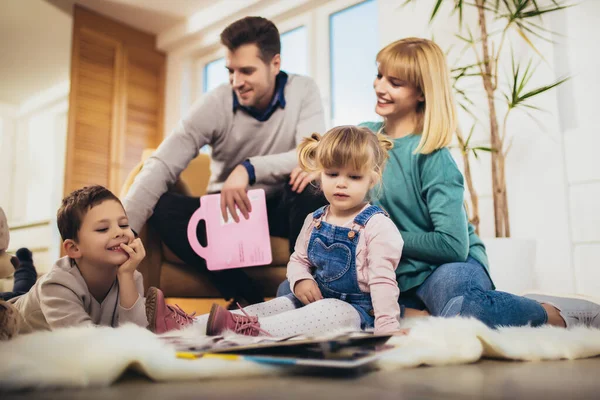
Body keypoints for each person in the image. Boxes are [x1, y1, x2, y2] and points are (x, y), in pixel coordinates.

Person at [279, 37, 600, 329]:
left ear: (421, 92)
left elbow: (452, 244)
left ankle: (556, 313)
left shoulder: (433, 157)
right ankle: (417, 314)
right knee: (290, 290)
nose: (380, 87)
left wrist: (375, 234)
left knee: (468, 310)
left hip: (442, 267)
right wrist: (319, 169)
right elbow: (332, 163)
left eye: (395, 82)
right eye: (380, 76)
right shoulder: (365, 136)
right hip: (388, 268)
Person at [123, 16, 327, 307]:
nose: (236, 82)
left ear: (275, 64)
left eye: (246, 71)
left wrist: (249, 168)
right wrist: (124, 230)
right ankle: (246, 295)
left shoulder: (303, 90)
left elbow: (311, 152)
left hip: (281, 206)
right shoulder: (215, 103)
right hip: (227, 210)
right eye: (230, 71)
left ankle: (300, 289)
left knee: (311, 184)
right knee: (163, 206)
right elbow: (163, 163)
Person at [145, 126, 404, 336]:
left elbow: (383, 282)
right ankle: (187, 325)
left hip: (356, 312)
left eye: (354, 177)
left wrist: (387, 329)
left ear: (372, 178)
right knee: (277, 305)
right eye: (332, 174)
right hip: (312, 301)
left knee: (331, 311)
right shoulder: (315, 220)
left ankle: (245, 331)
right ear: (319, 174)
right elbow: (298, 260)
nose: (341, 184)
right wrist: (301, 279)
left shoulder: (377, 225)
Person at [0, 185, 148, 339]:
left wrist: (126, 276)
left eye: (123, 224)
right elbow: (86, 344)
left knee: (24, 286)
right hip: (6, 317)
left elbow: (138, 336)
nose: (119, 232)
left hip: (31, 298)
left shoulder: (131, 276)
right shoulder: (55, 286)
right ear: (73, 248)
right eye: (103, 229)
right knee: (22, 289)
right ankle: (25, 265)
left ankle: (25, 265)